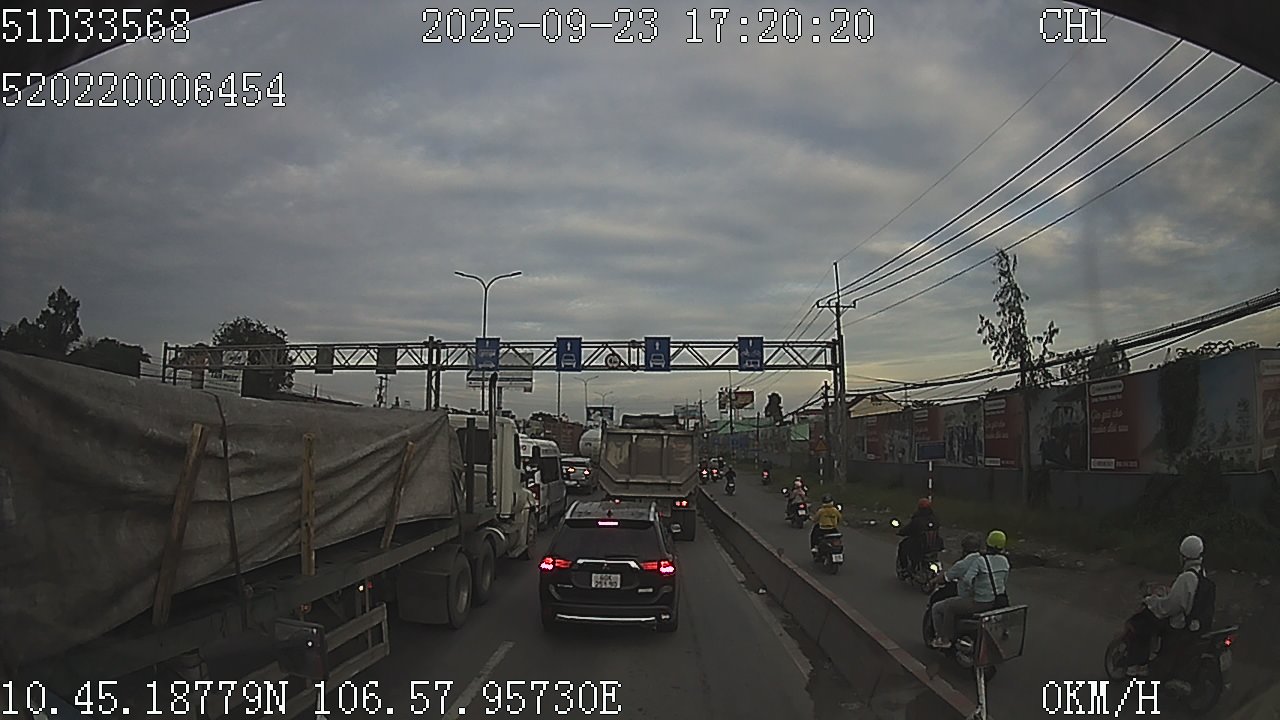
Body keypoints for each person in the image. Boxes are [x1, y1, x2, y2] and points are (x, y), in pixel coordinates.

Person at [1124, 535, 1207, 677]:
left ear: (1184, 556)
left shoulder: (1185, 578)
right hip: (1193, 620)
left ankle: (1139, 665)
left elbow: (1168, 608)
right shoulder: (1202, 574)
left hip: (1179, 623)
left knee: (1141, 624)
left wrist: (1152, 601)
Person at [929, 530, 1010, 650]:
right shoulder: (1004, 561)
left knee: (946, 607)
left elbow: (966, 579)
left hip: (979, 602)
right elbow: (1004, 581)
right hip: (996, 601)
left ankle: (944, 639)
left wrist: (970, 591)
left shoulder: (980, 561)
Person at [896, 497, 942, 574]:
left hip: (918, 545)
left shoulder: (917, 519)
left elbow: (908, 529)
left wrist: (901, 532)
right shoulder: (934, 518)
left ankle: (904, 567)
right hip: (934, 545)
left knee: (902, 546)